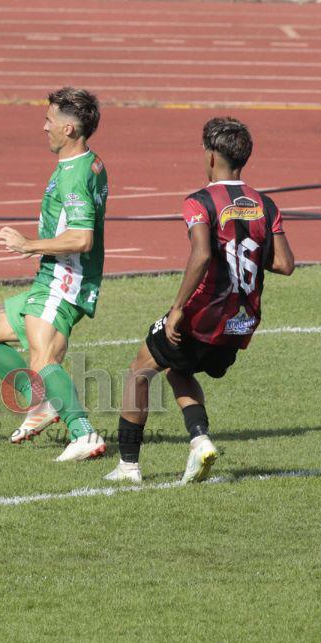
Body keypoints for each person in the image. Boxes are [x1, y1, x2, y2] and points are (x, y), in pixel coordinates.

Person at [106, 117, 294, 484]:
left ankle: (128, 466)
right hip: (241, 322)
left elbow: (202, 254)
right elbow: (285, 264)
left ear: (210, 156)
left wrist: (177, 309)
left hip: (204, 313)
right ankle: (199, 441)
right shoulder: (265, 204)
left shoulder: (200, 201)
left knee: (138, 371)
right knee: (180, 368)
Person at [0, 87, 108, 462]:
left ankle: (84, 434)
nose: (44, 127)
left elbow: (82, 238)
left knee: (44, 362)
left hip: (63, 281)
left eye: (50, 121)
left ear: (70, 131)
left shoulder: (73, 176)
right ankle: (40, 403)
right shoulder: (88, 164)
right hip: (51, 278)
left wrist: (28, 245)